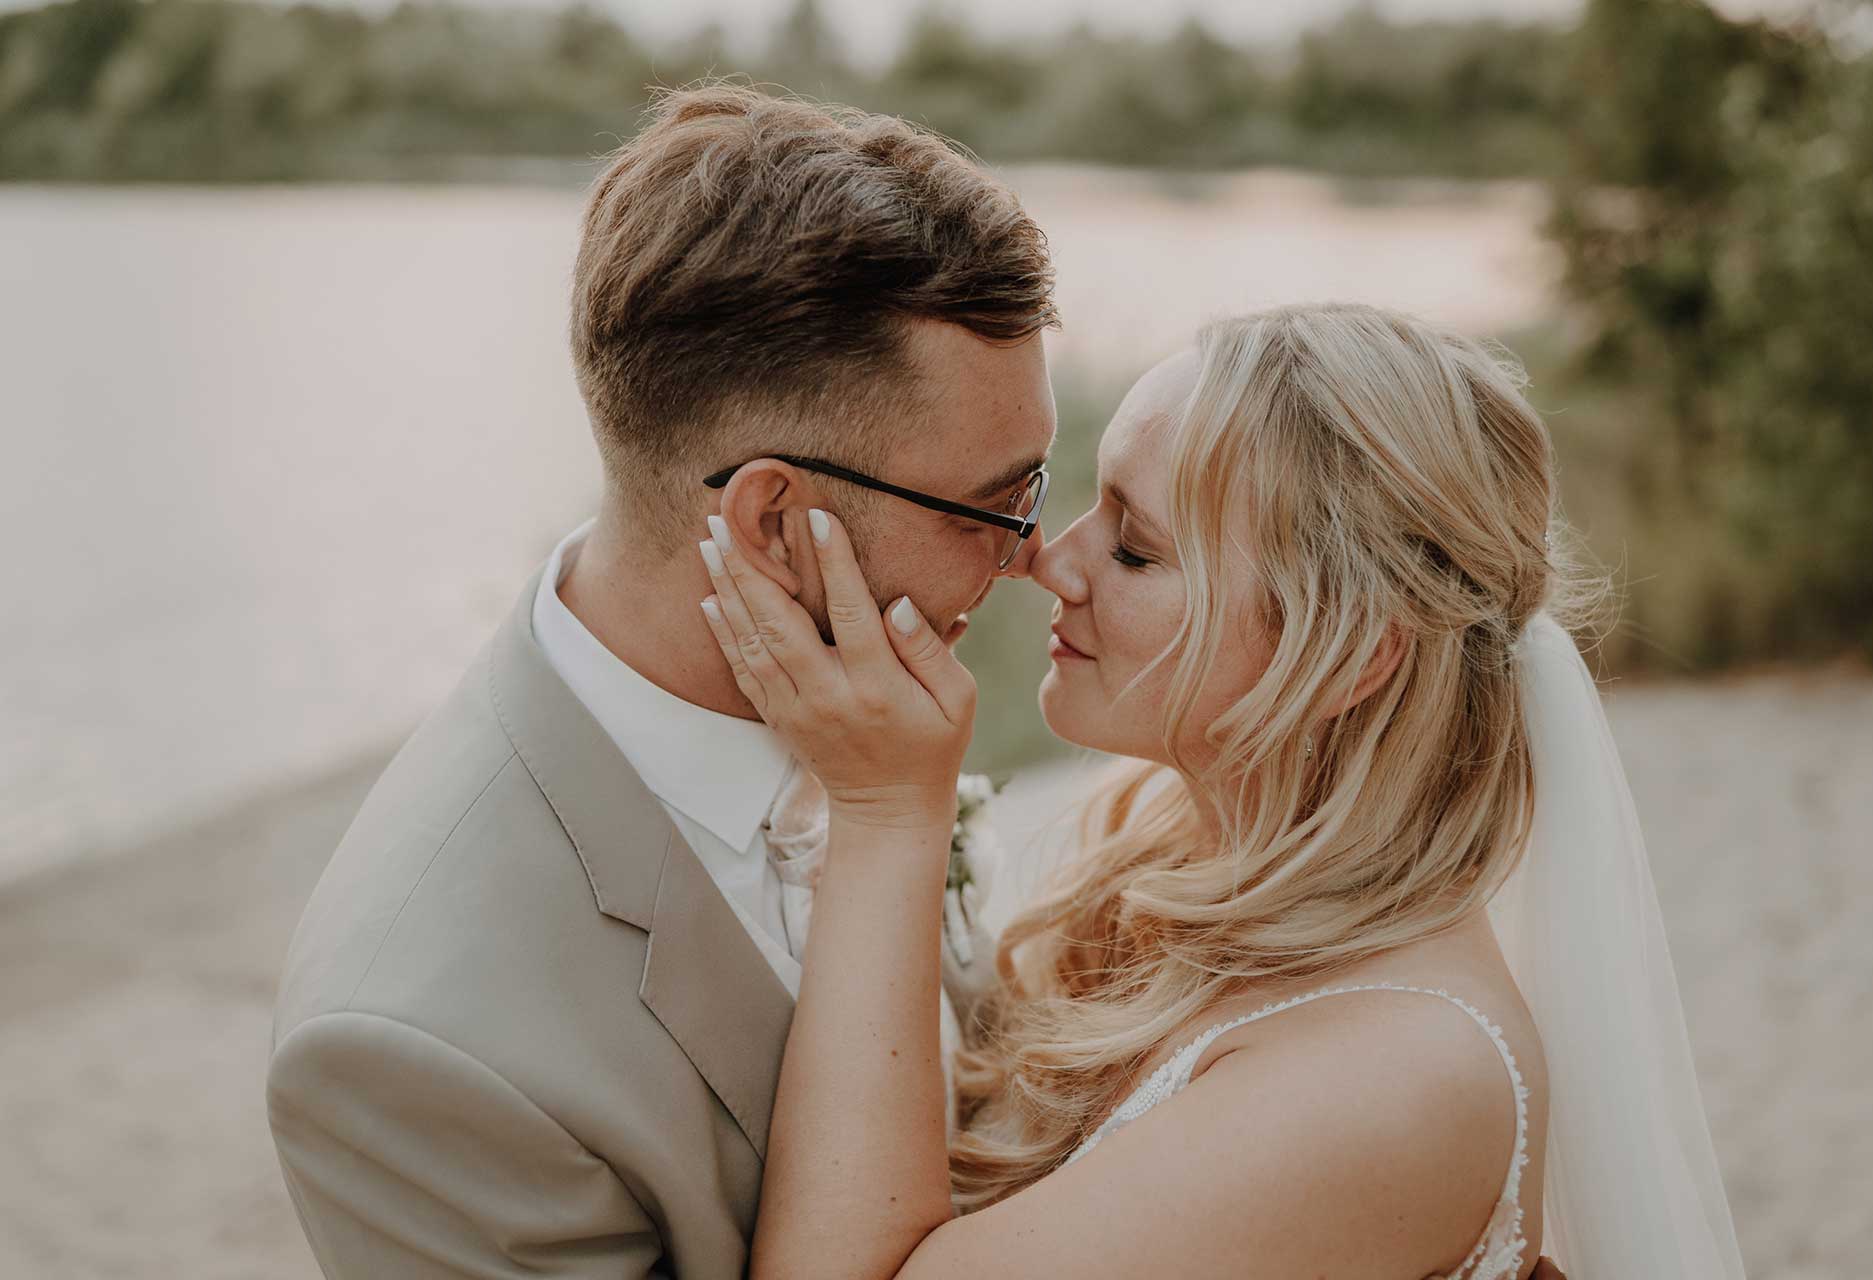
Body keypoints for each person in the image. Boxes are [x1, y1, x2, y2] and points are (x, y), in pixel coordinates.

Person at [697, 304, 1743, 1278]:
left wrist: (887, 816)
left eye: (1138, 546)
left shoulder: (1399, 1073)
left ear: (1348, 655)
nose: (1051, 564)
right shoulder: (1154, 841)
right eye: (1088, 504)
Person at [266, 85, 1056, 1278]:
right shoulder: (416, 1050)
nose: (1034, 553)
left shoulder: (856, 695)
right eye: (998, 504)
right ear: (778, 523)